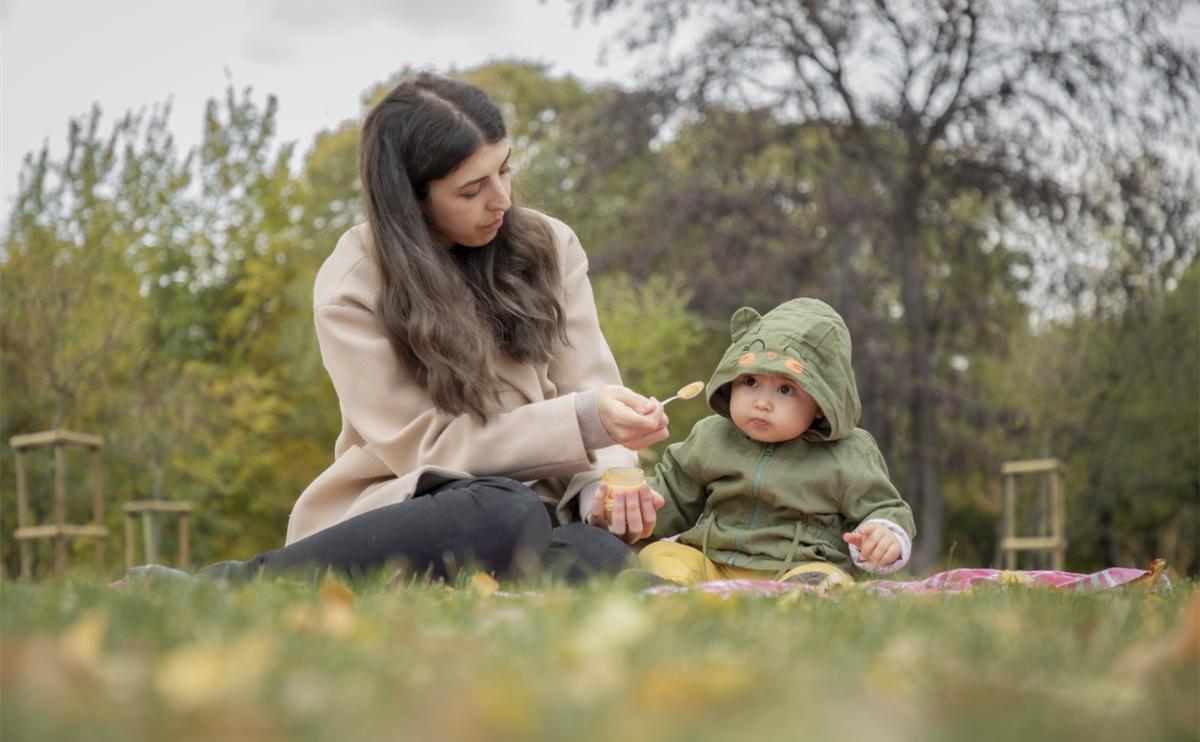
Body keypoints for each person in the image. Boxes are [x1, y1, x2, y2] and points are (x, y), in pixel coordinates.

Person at [131, 72, 669, 587]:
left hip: (542, 514)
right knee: (503, 508)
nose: (502, 199)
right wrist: (585, 419)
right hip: (421, 506)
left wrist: (607, 488)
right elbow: (431, 451)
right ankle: (236, 583)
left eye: (504, 170)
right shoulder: (353, 284)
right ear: (412, 199)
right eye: (471, 189)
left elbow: (595, 393)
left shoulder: (551, 246)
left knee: (597, 548)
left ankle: (481, 591)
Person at [616, 298, 915, 586]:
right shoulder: (712, 437)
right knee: (662, 553)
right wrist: (638, 505)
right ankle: (667, 587)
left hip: (801, 565)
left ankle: (806, 594)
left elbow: (882, 506)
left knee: (828, 577)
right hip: (715, 565)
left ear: (822, 402)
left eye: (785, 390)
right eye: (750, 382)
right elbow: (672, 493)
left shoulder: (849, 455)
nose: (761, 402)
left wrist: (883, 534)